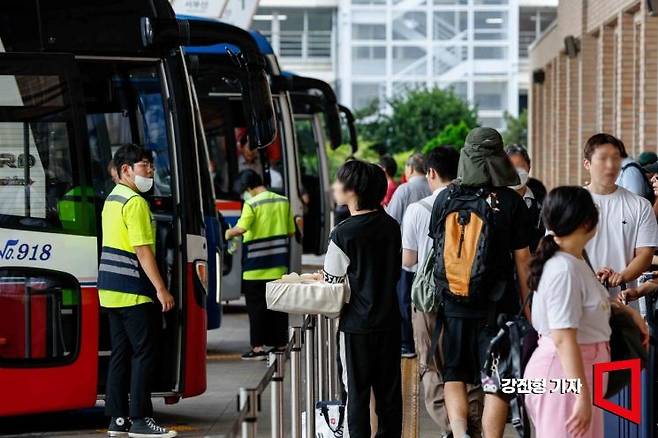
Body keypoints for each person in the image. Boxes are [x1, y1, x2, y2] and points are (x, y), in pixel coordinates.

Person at [429, 128, 532, 438]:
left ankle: (460, 433)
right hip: (498, 307)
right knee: (496, 379)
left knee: (455, 374)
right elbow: (523, 261)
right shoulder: (510, 202)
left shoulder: (445, 197)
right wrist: (529, 310)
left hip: (454, 303)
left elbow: (435, 253)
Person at [524, 186, 648, 438]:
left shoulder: (575, 260)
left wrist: (626, 313)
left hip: (578, 373)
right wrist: (579, 395)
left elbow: (584, 308)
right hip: (565, 376)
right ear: (587, 221)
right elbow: (562, 336)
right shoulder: (563, 269)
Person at [401, 146, 483, 437]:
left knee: (432, 367)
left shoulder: (417, 209)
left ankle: (452, 429)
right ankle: (470, 427)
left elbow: (408, 262)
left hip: (428, 301)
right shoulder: (475, 204)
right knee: (465, 367)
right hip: (467, 297)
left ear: (431, 173)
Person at [98, 144, 177, 438]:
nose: (150, 171)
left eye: (151, 166)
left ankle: (117, 420)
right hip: (133, 288)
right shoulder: (134, 202)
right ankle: (141, 419)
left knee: (121, 353)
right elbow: (142, 250)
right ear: (125, 170)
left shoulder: (112, 199)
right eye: (144, 165)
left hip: (110, 289)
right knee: (144, 353)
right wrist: (161, 289)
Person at [322, 160, 402, 437]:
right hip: (390, 320)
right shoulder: (391, 226)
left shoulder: (342, 234)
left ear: (352, 190)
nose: (335, 186)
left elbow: (331, 282)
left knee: (356, 393)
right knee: (389, 395)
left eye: (339, 181)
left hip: (356, 325)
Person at [225, 169, 296, 360]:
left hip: (255, 268)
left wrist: (227, 234)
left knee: (256, 309)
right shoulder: (283, 201)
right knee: (278, 307)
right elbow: (291, 232)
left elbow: (242, 228)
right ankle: (280, 345)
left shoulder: (251, 203)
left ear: (248, 188)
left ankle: (257, 349)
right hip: (278, 266)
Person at [582, 133, 658, 299]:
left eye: (616, 158)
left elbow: (645, 254)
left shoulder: (640, 205)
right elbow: (557, 250)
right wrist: (588, 276)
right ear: (587, 164)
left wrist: (622, 276)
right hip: (580, 301)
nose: (610, 165)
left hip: (624, 302)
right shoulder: (571, 203)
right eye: (603, 159)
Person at [387, 153, 431, 358]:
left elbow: (391, 221)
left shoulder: (405, 190)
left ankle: (408, 345)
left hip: (408, 258)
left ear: (410, 169)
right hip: (432, 260)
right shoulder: (434, 188)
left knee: (405, 300)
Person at [505, 145, 545, 252]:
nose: (516, 171)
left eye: (520, 165)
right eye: (510, 166)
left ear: (529, 166)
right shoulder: (495, 201)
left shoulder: (542, 198)